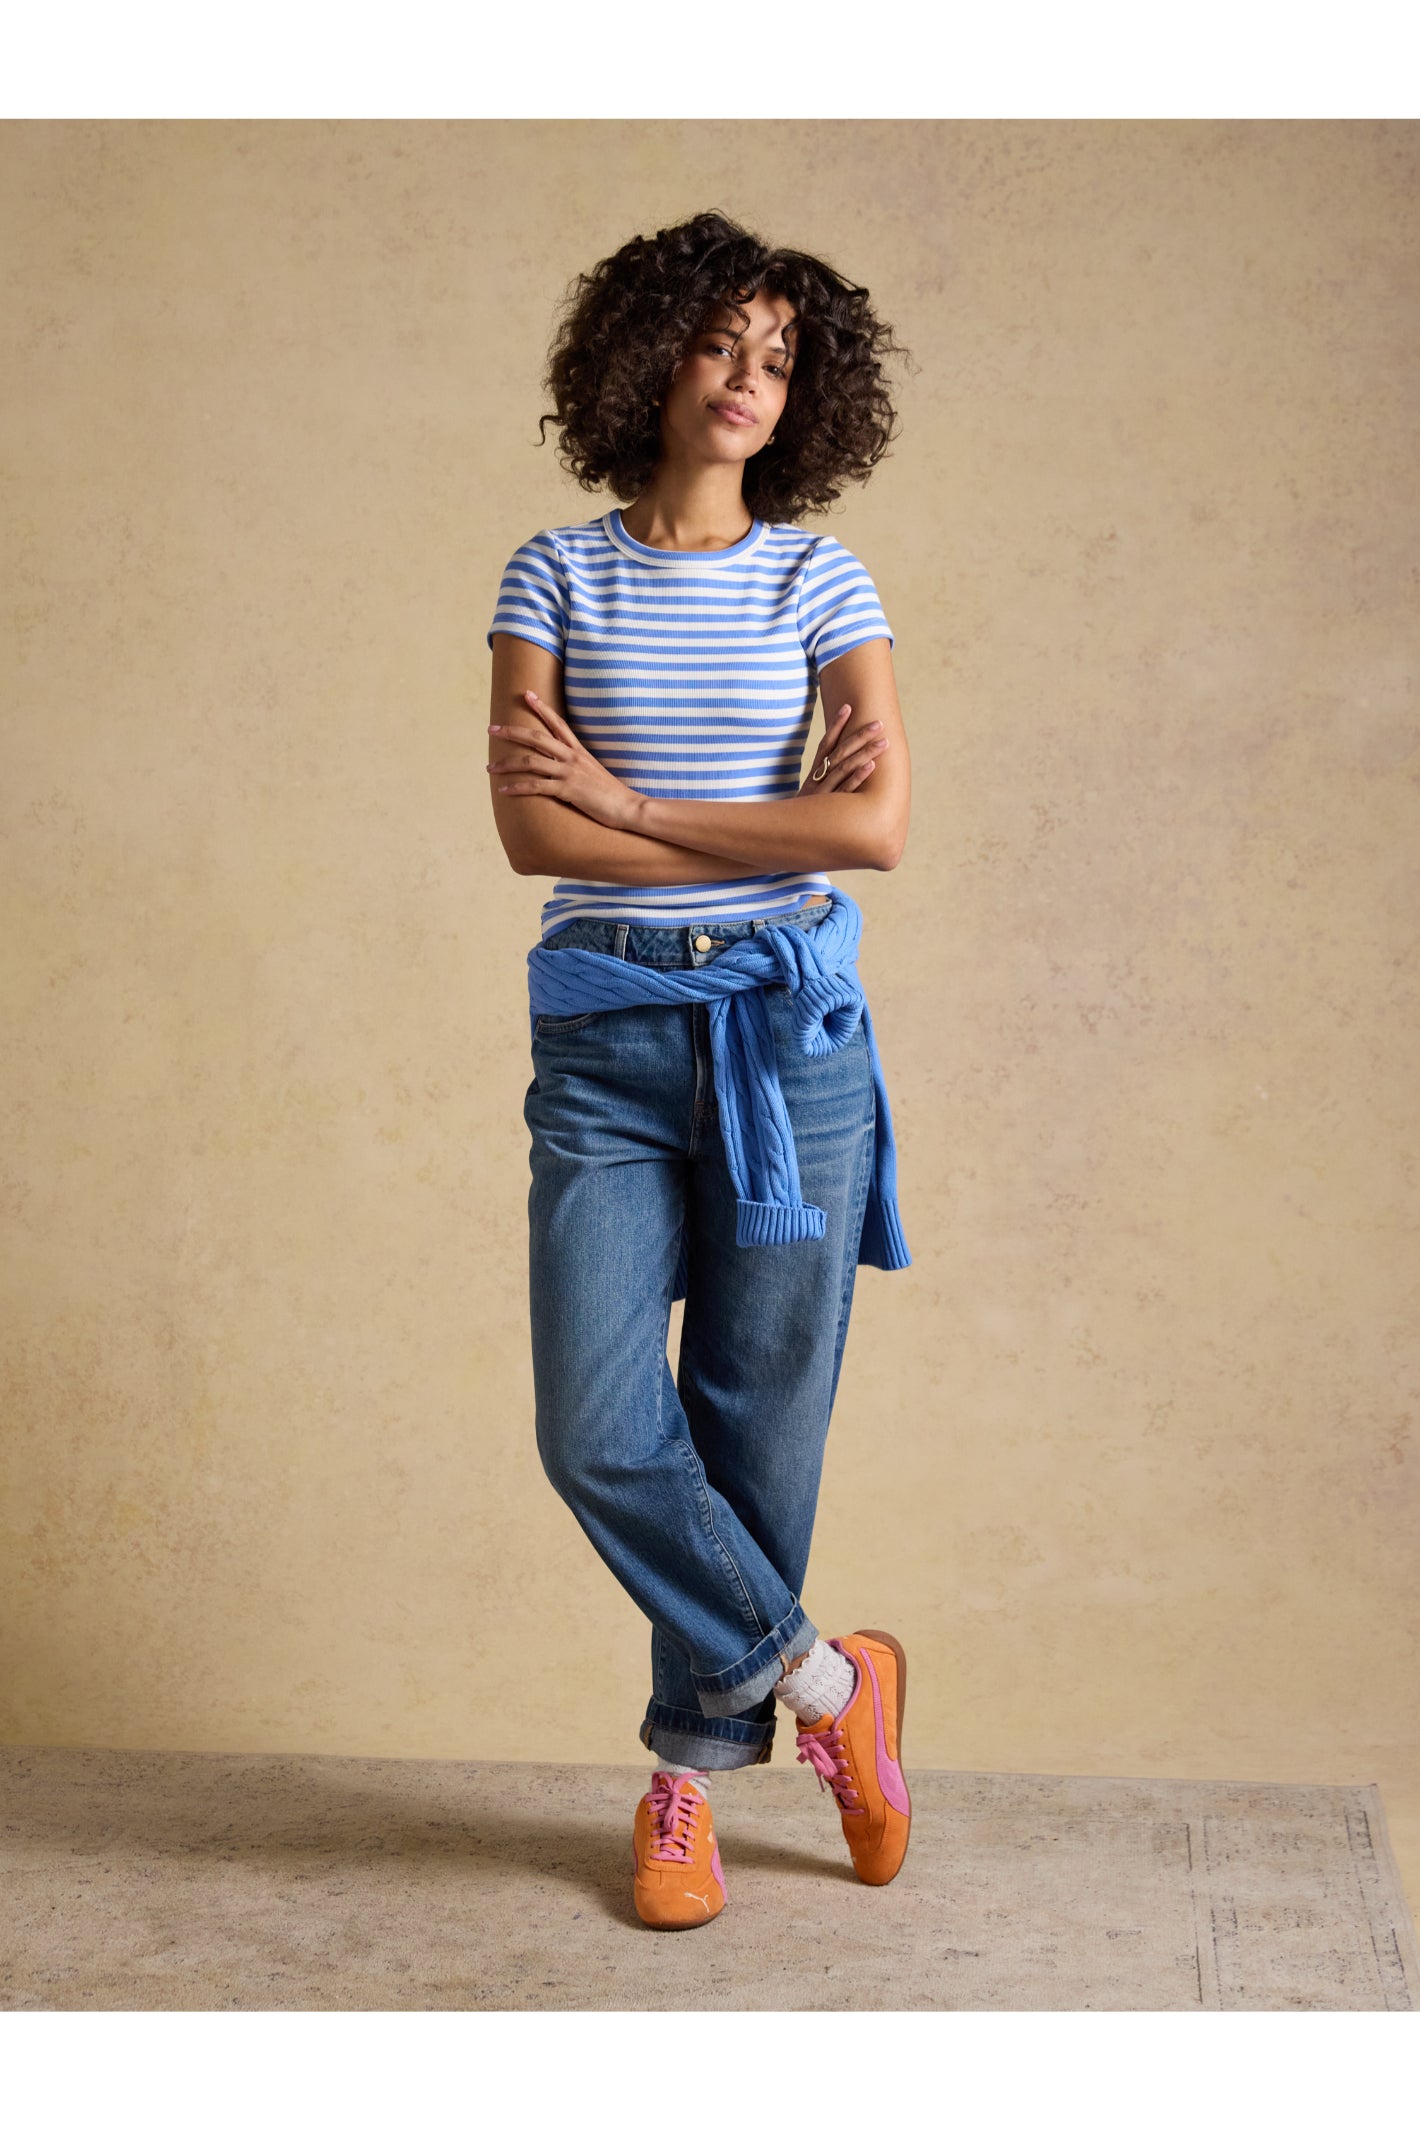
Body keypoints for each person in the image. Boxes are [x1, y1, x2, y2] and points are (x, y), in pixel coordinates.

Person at [485, 209, 915, 1929]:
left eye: (781, 356)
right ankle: (829, 1686)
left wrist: (643, 806)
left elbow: (872, 824)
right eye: (721, 342)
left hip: (787, 1034)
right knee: (600, 1420)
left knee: (756, 1423)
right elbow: (529, 828)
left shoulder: (823, 581)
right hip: (600, 1030)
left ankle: (685, 1782)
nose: (749, 379)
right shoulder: (553, 573)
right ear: (648, 354)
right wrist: (746, 825)